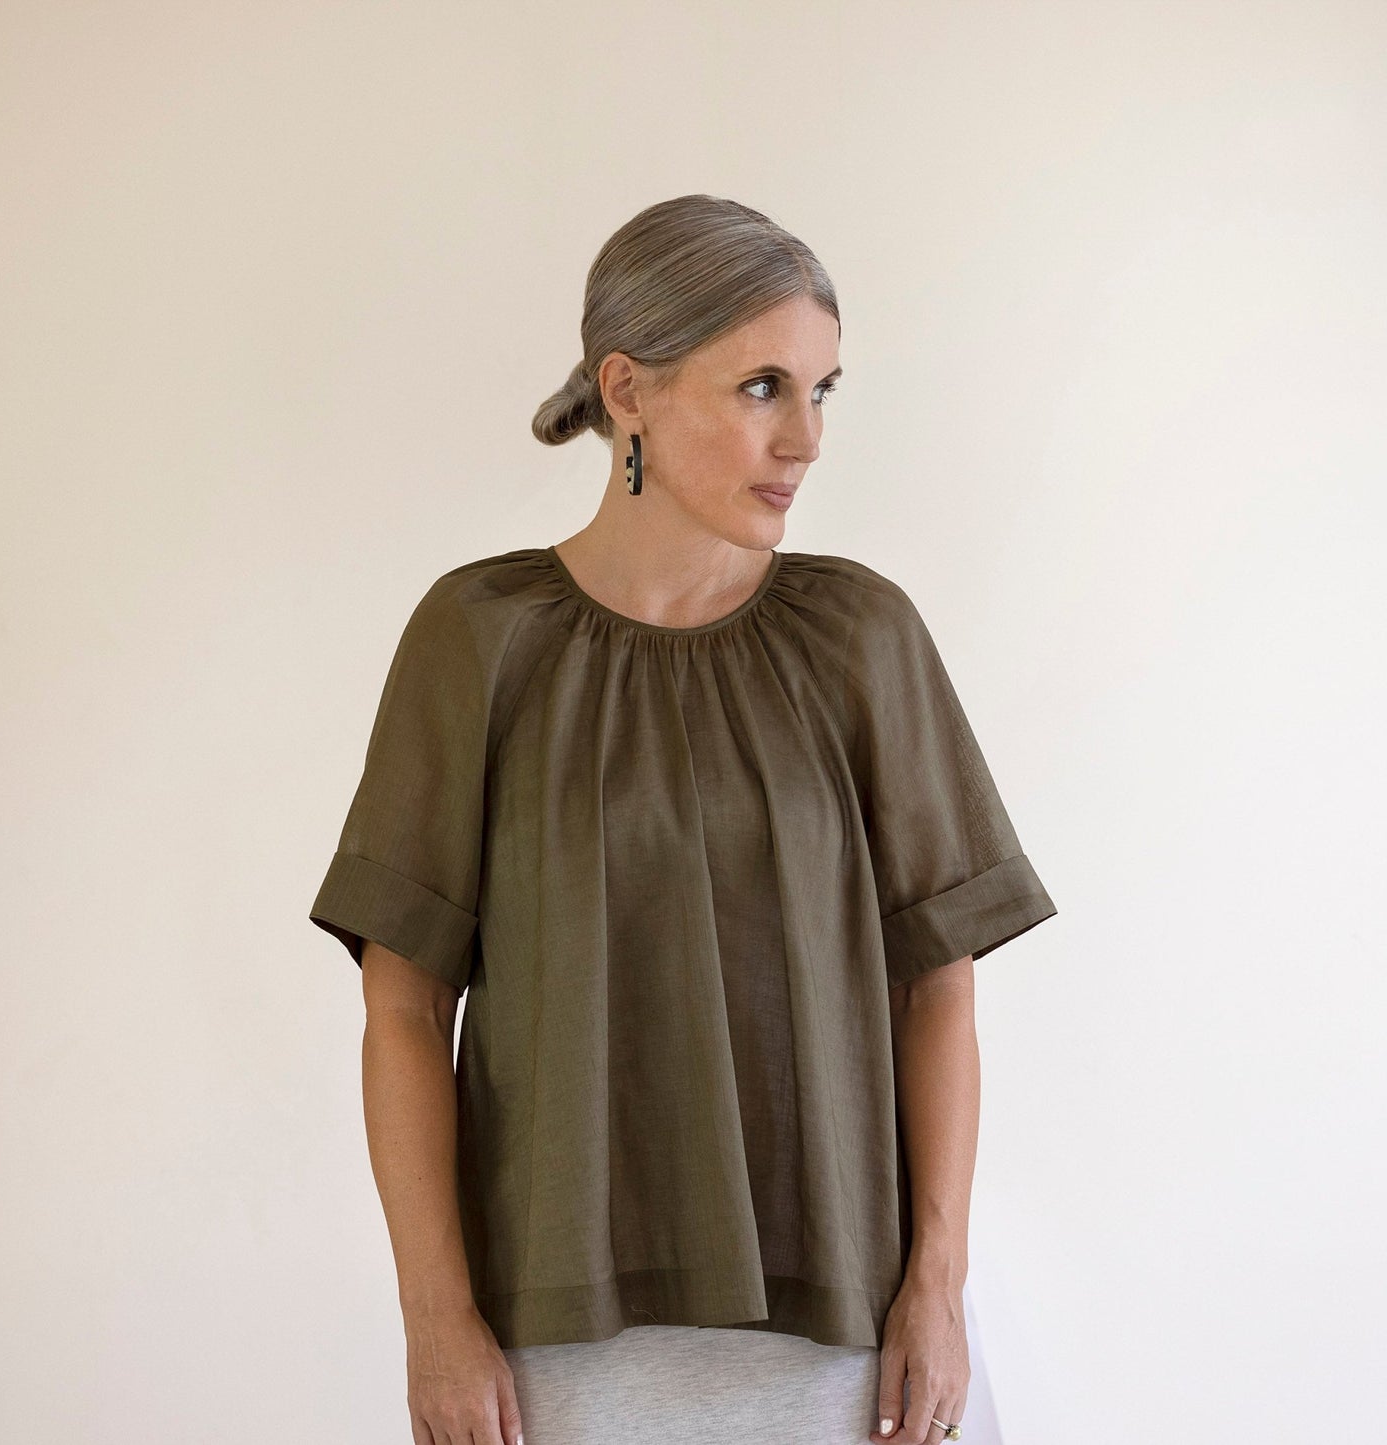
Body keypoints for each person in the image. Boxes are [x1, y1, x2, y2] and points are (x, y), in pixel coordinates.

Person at [308, 193, 1057, 1445]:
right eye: (761, 386)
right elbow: (402, 1010)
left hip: (849, 1342)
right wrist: (434, 1317)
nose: (804, 437)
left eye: (821, 390)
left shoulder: (860, 636)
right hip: (551, 1349)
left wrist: (935, 1287)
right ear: (628, 391)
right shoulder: (479, 639)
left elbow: (938, 988)